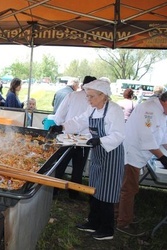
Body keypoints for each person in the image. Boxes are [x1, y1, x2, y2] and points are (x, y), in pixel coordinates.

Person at [49, 79, 125, 240]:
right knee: (94, 189)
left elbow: (119, 134)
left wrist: (101, 140)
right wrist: (61, 127)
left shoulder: (114, 110)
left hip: (111, 154)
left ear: (103, 96)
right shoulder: (92, 109)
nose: (88, 100)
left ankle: (107, 229)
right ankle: (93, 222)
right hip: (98, 154)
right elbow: (79, 121)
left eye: (91, 97)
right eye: (88, 96)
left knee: (107, 193)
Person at [116, 88, 167, 236]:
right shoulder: (148, 109)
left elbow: (164, 136)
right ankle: (123, 222)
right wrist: (162, 157)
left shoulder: (161, 112)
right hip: (132, 153)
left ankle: (122, 216)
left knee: (128, 188)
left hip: (139, 154)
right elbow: (146, 137)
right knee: (129, 189)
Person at [53, 75, 97, 199]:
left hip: (68, 136)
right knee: (78, 168)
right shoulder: (95, 101)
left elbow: (59, 116)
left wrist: (61, 127)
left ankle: (55, 190)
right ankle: (73, 194)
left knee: (61, 164)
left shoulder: (72, 96)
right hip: (84, 138)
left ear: (83, 85)